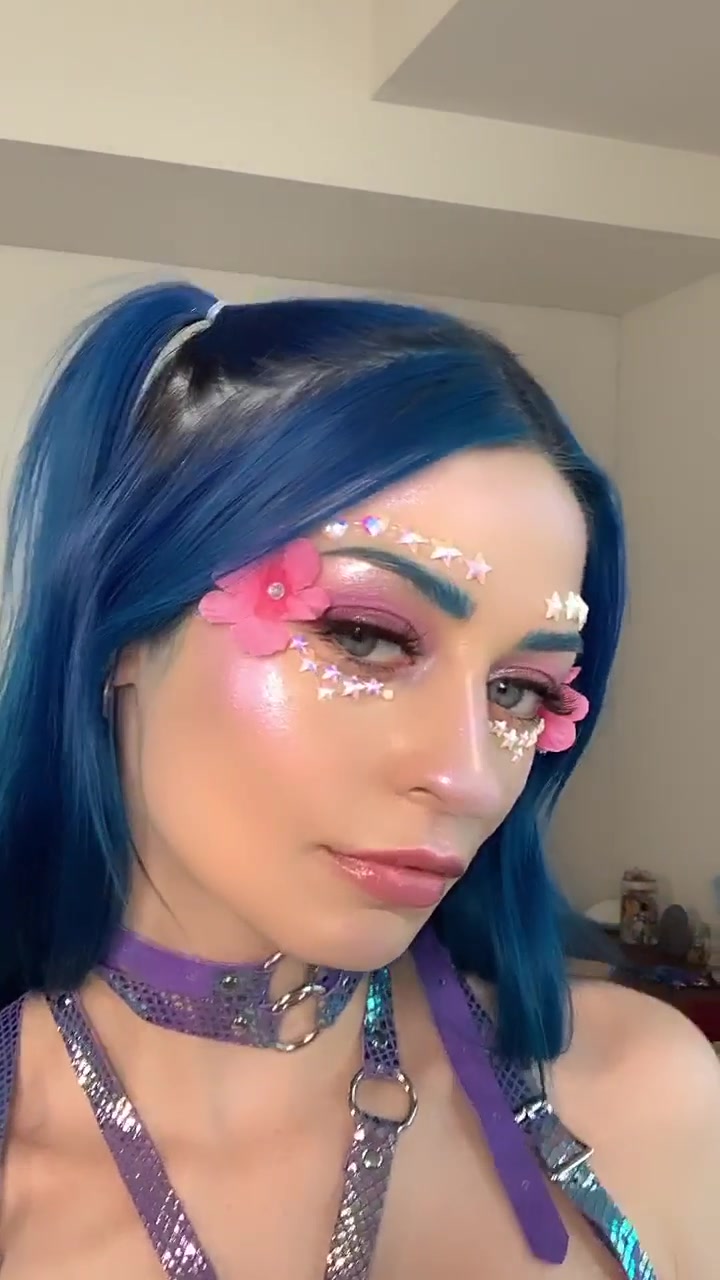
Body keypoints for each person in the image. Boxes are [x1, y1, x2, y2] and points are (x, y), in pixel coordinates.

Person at [0, 285, 716, 1280]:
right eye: (365, 636)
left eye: (519, 690)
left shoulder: (650, 1095)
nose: (468, 777)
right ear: (120, 628)